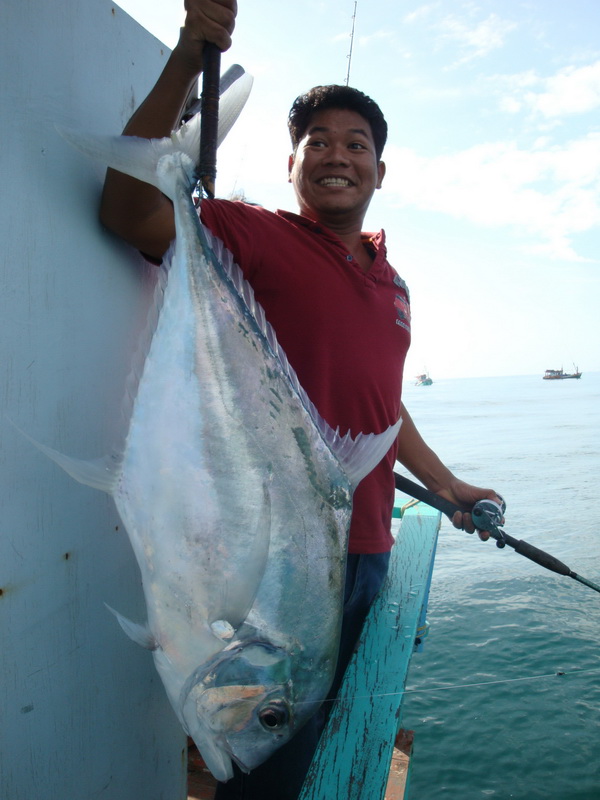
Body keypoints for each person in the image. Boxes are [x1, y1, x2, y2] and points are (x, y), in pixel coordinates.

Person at [100, 2, 502, 797]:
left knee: (313, 744)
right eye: (317, 142)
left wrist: (446, 483)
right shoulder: (251, 236)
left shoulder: (394, 283)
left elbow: (381, 405)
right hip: (268, 554)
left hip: (365, 553)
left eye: (357, 144)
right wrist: (188, 57)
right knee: (267, 755)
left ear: (381, 172)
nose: (337, 155)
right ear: (291, 164)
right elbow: (126, 213)